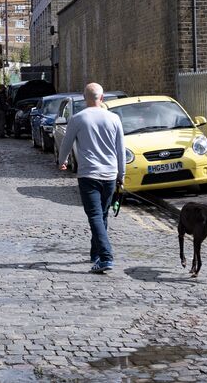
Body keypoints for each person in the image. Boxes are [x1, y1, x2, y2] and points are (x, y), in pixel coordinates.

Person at [58, 83, 125, 274]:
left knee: (95, 215)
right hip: (110, 175)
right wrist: (122, 174)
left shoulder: (77, 119)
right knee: (101, 214)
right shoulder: (114, 118)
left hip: (88, 175)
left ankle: (105, 257)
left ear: (84, 98)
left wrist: (62, 161)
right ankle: (95, 253)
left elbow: (66, 143)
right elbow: (121, 149)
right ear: (102, 98)